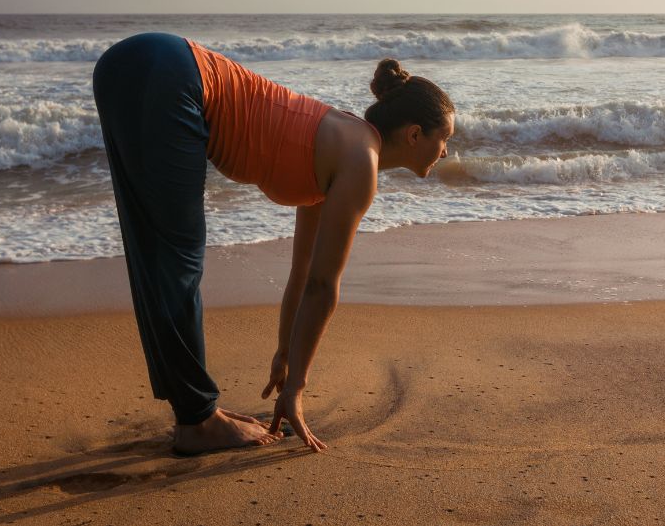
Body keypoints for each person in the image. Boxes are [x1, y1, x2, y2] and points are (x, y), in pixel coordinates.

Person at [92, 32, 454, 455]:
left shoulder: (343, 143)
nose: (445, 152)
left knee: (154, 251)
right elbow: (323, 285)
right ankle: (198, 420)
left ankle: (194, 412)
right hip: (173, 75)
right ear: (414, 135)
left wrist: (286, 354)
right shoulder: (361, 162)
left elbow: (303, 275)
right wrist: (296, 390)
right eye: (444, 139)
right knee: (178, 257)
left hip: (132, 64)